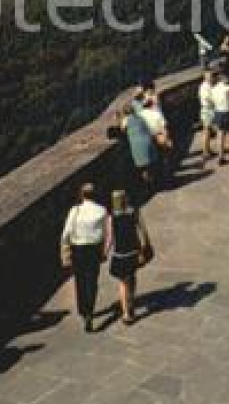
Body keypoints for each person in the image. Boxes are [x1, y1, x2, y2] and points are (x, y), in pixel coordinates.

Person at [60, 183, 108, 332]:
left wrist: (64, 247)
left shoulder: (75, 210)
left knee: (80, 279)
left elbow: (67, 232)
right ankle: (89, 312)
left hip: (78, 248)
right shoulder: (101, 210)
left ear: (82, 195)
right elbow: (103, 232)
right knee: (92, 281)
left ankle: (83, 309)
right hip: (94, 248)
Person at [105, 190, 151, 325]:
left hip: (120, 254)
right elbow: (142, 231)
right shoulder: (134, 212)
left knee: (123, 283)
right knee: (132, 278)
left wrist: (105, 253)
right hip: (133, 252)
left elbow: (110, 238)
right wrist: (145, 246)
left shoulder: (111, 217)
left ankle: (126, 313)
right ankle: (131, 303)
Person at [120, 100, 158, 188]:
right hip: (147, 141)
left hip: (137, 145)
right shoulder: (140, 117)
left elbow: (122, 129)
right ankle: (153, 182)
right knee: (150, 166)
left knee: (143, 168)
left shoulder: (126, 120)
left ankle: (149, 185)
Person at [208, 70, 229, 167]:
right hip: (227, 112)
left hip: (218, 112)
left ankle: (221, 157)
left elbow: (212, 101)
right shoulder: (226, 88)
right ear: (223, 79)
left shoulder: (213, 89)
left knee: (220, 135)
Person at [198, 70, 220, 161]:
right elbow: (207, 98)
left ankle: (208, 150)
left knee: (209, 131)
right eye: (209, 76)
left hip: (210, 109)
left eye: (211, 75)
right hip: (207, 109)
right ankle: (205, 151)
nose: (211, 77)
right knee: (207, 131)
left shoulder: (210, 85)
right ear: (205, 77)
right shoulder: (204, 87)